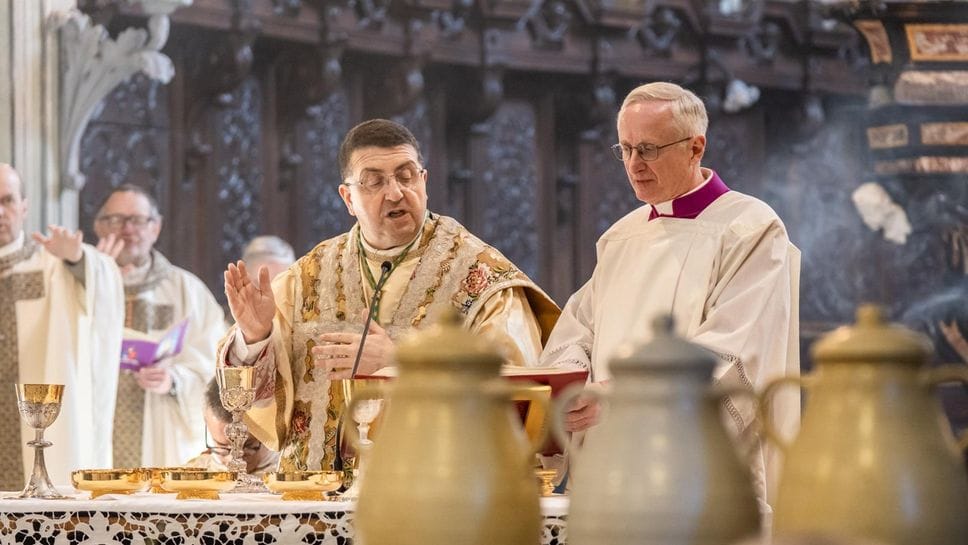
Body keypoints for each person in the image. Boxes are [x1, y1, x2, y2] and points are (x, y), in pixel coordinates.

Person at [219, 118, 560, 472]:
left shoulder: (480, 276)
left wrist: (401, 362)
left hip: (436, 491)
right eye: (374, 181)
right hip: (317, 495)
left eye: (406, 175)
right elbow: (250, 403)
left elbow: (518, 397)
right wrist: (255, 338)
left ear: (424, 181)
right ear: (348, 198)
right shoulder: (307, 278)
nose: (395, 192)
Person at [540, 82, 800, 515]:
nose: (634, 165)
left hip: (696, 473)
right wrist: (573, 388)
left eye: (648, 149)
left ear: (696, 147)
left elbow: (736, 352)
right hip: (610, 467)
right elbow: (578, 331)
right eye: (625, 149)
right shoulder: (622, 237)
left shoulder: (750, 229)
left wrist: (621, 395)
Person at [0, 163, 125, 489]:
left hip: (39, 426)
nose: (0, 212)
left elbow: (100, 281)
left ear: (24, 206)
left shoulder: (52, 265)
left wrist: (77, 259)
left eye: (7, 200)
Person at [93, 184, 226, 468]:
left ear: (156, 228)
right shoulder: (80, 288)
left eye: (138, 220)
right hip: (94, 424)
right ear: (99, 227)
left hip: (162, 432)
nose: (128, 229)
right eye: (116, 220)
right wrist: (96, 277)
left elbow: (218, 366)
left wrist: (175, 380)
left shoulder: (187, 290)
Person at [186, 378, 278, 476]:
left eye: (247, 445)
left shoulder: (286, 473)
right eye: (222, 446)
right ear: (207, 424)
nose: (233, 459)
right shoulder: (190, 476)